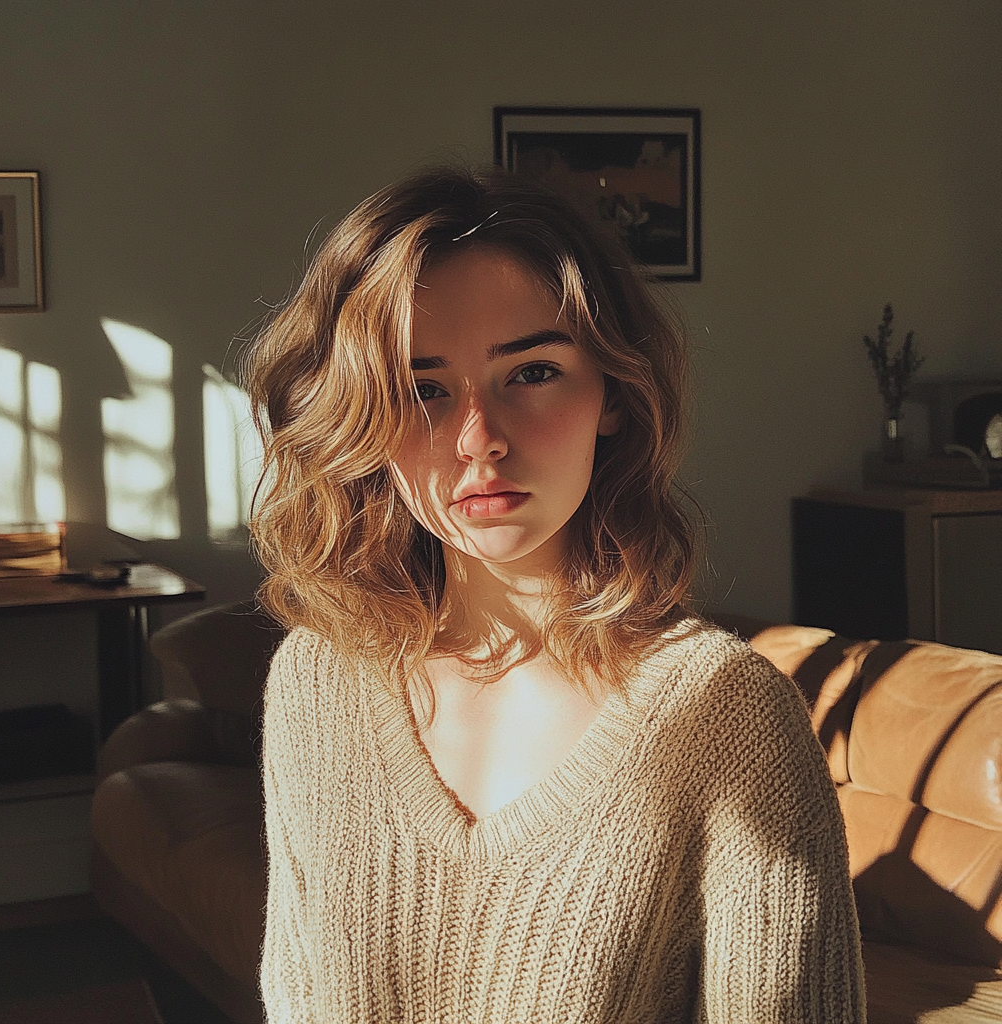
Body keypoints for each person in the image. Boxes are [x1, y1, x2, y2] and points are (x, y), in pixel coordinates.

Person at [246, 166, 866, 1023]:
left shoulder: (730, 718)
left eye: (531, 372)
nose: (479, 440)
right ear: (361, 420)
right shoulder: (315, 685)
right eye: (423, 389)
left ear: (614, 392)